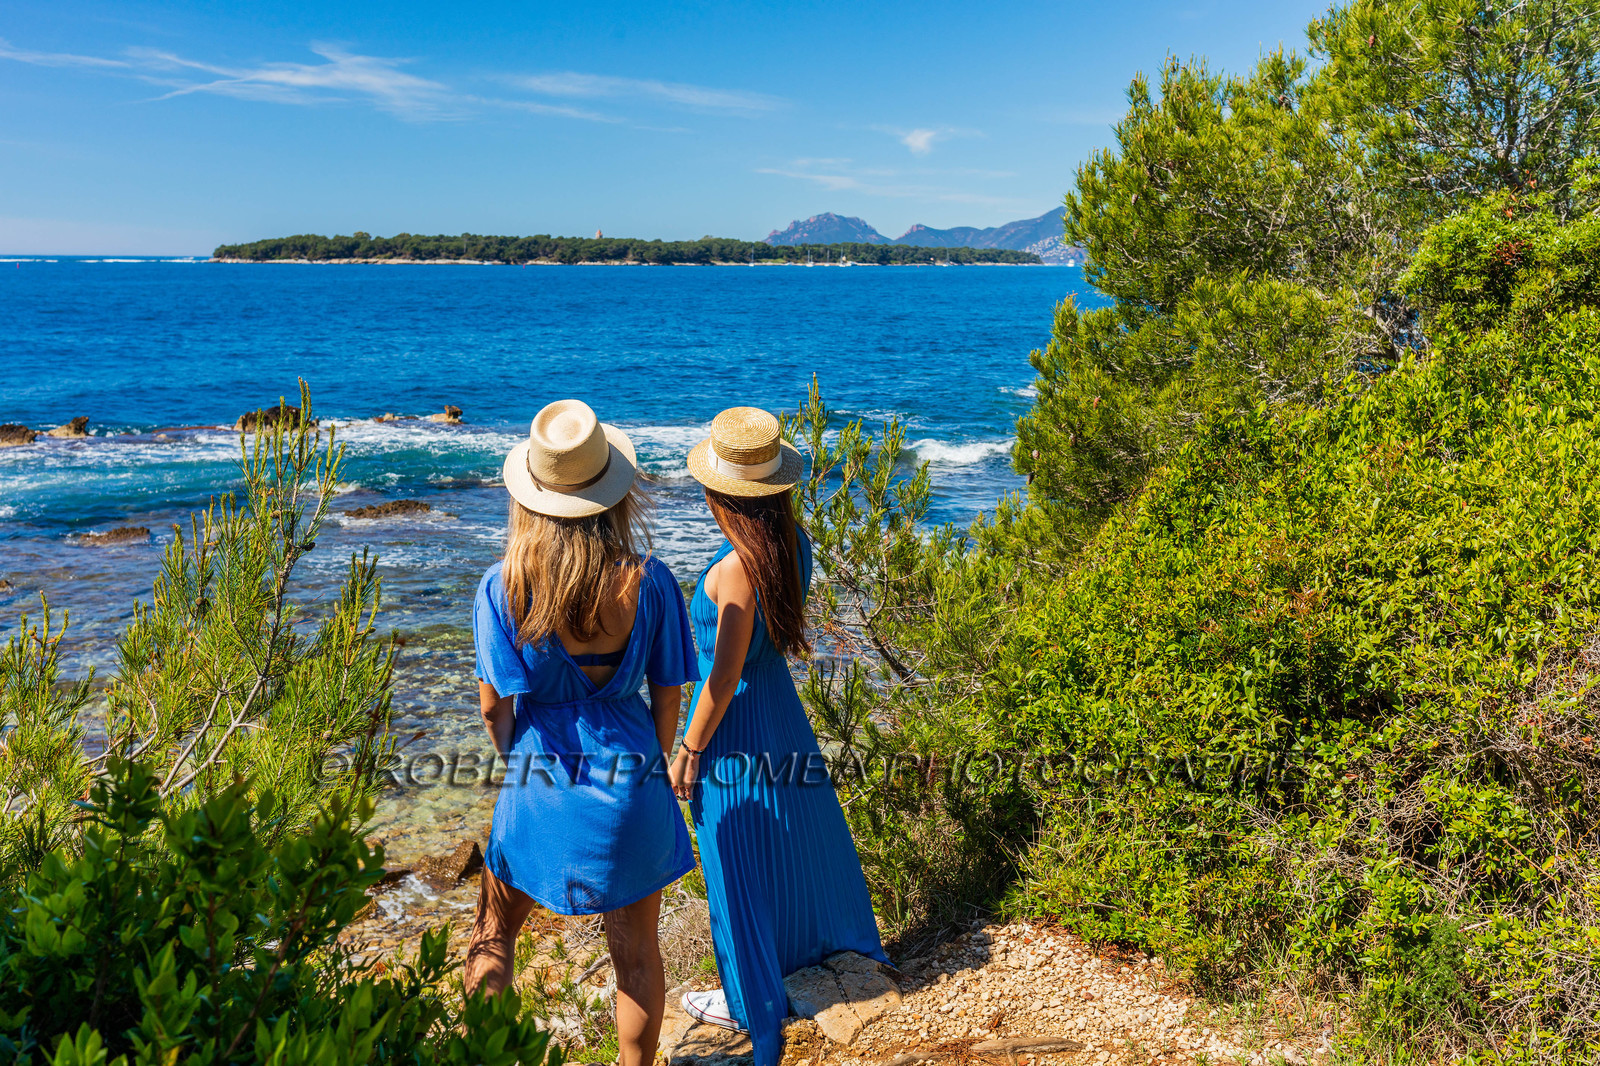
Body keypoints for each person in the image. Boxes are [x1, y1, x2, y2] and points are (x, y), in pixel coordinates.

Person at [467, 399, 697, 1066]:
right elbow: (668, 692)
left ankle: (486, 1058)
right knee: (635, 953)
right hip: (633, 781)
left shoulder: (504, 586)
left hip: (541, 778)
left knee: (493, 932)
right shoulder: (652, 582)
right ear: (612, 494)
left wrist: (521, 762)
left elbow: (493, 710)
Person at [669, 406, 885, 1066]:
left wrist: (688, 750)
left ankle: (750, 997)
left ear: (721, 493)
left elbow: (722, 681)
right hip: (780, 718)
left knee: (736, 860)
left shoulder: (736, 567)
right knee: (793, 850)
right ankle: (798, 963)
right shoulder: (793, 539)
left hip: (735, 731)